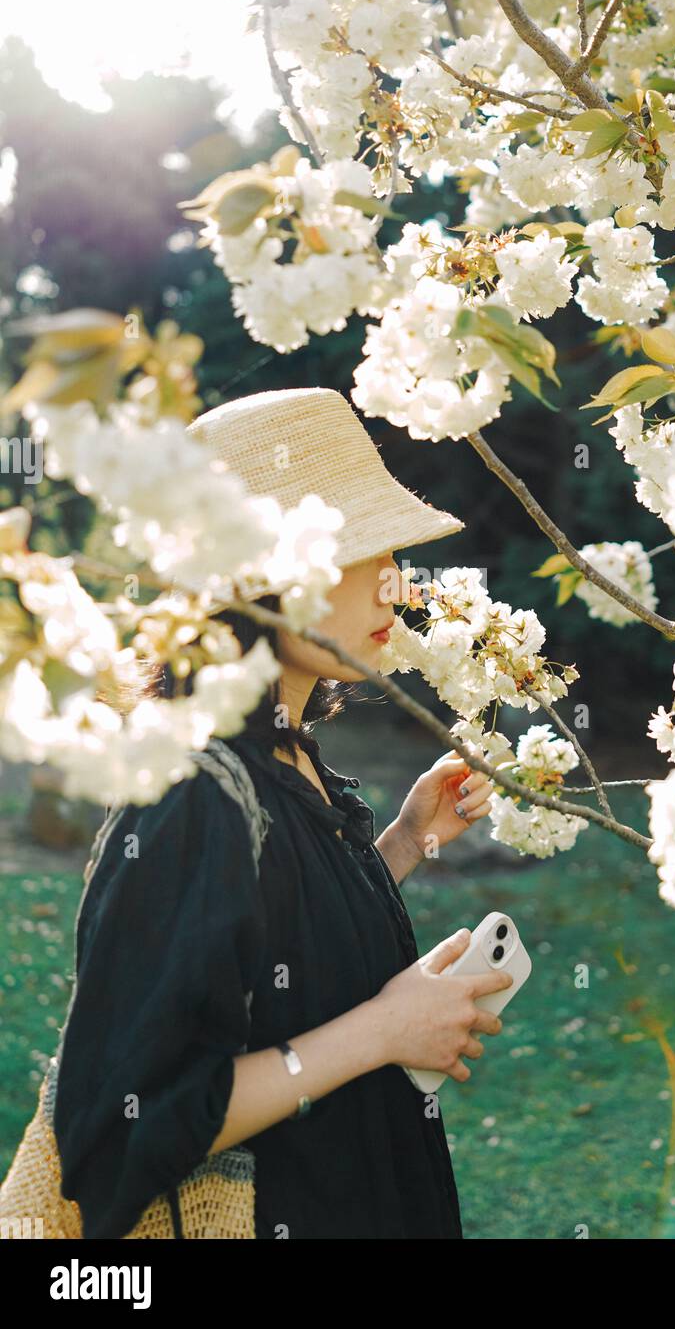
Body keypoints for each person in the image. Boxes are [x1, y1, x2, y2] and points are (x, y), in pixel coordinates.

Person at [52, 387, 512, 1239]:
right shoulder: (188, 793)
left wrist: (404, 843)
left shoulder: (286, 754)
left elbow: (274, 954)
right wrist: (384, 1031)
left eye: (391, 551)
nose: (393, 583)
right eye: (356, 549)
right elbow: (116, 1132)